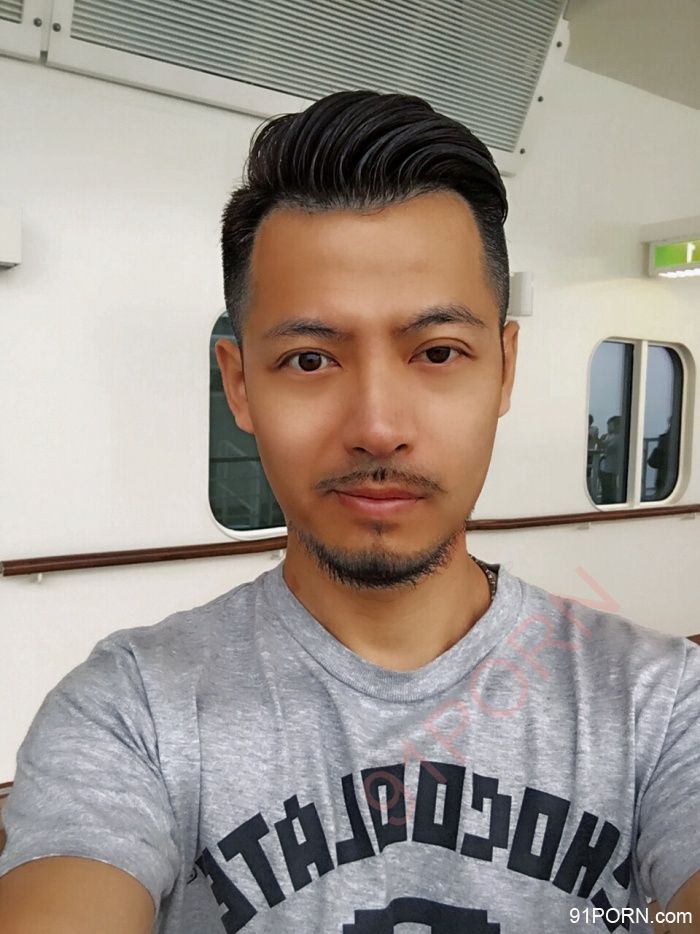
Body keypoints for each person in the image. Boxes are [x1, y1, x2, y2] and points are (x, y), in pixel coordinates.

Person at [1, 91, 699, 934]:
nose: (376, 425)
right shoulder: (131, 711)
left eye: (437, 352)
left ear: (504, 369)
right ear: (239, 385)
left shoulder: (663, 704)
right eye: (309, 359)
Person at [598, 415, 623, 503]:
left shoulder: (619, 437)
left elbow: (607, 447)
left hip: (611, 468)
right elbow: (602, 446)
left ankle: (609, 502)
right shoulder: (610, 436)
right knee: (606, 488)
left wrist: (598, 439)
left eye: (610, 425)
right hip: (605, 467)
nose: (608, 428)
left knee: (609, 489)